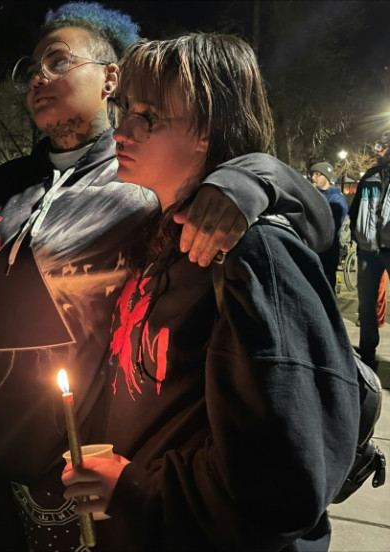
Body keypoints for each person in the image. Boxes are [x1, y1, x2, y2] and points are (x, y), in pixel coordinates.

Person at [0, 4, 334, 550]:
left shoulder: (139, 177)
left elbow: (300, 220)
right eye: (31, 67)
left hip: (82, 454)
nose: (38, 77)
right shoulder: (7, 184)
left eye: (58, 61)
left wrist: (254, 179)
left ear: (110, 77)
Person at [61, 33, 359, 551]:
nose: (121, 132)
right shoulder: (161, 233)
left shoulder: (253, 254)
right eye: (125, 109)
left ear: (208, 133)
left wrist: (133, 491)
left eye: (148, 116)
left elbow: (280, 484)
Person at [350, 129, 390, 370]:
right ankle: (367, 354)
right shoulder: (371, 176)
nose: (382, 150)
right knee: (366, 305)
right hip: (367, 250)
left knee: (368, 305)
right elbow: (355, 210)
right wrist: (358, 235)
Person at [309, 161, 348, 290]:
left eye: (317, 174)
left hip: (328, 250)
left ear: (327, 177)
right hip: (313, 248)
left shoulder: (337, 200)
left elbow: (331, 226)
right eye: (311, 174)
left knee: (326, 287)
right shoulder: (312, 195)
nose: (313, 177)